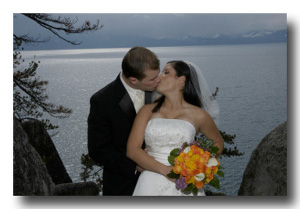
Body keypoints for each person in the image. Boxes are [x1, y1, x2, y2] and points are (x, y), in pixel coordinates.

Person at [127, 60, 224, 196]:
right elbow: (132, 150)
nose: (160, 76)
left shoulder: (199, 115)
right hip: (150, 182)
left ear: (181, 81)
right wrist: (165, 170)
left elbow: (218, 143)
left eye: (166, 72)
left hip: (184, 183)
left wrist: (201, 166)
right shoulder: (147, 111)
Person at [88, 47, 161, 196]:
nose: (159, 80)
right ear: (133, 80)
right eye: (153, 78)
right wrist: (135, 166)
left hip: (162, 181)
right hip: (124, 186)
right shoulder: (102, 100)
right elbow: (98, 149)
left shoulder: (163, 91)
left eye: (158, 74)